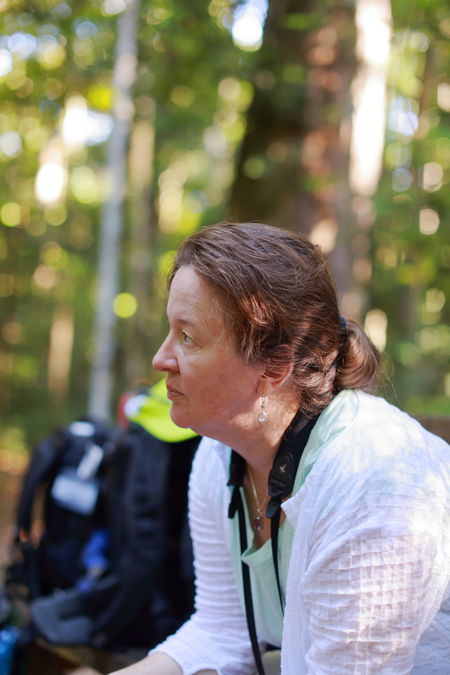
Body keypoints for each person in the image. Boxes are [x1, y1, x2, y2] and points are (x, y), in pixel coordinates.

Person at [110, 222, 450, 675]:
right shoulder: (219, 454)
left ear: (274, 367)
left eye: (187, 337)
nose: (160, 358)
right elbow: (222, 629)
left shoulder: (374, 483)